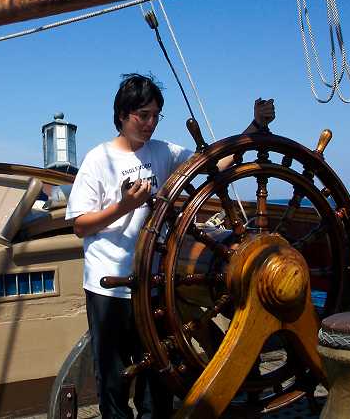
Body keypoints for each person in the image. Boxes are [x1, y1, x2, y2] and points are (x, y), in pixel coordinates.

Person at [65, 73, 275, 418]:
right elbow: (79, 225)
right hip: (109, 289)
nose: (149, 124)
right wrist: (124, 207)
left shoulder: (162, 152)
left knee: (159, 374)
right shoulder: (97, 160)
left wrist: (254, 127)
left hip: (154, 284)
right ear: (122, 114)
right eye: (142, 115)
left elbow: (211, 164)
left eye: (155, 116)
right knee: (114, 380)